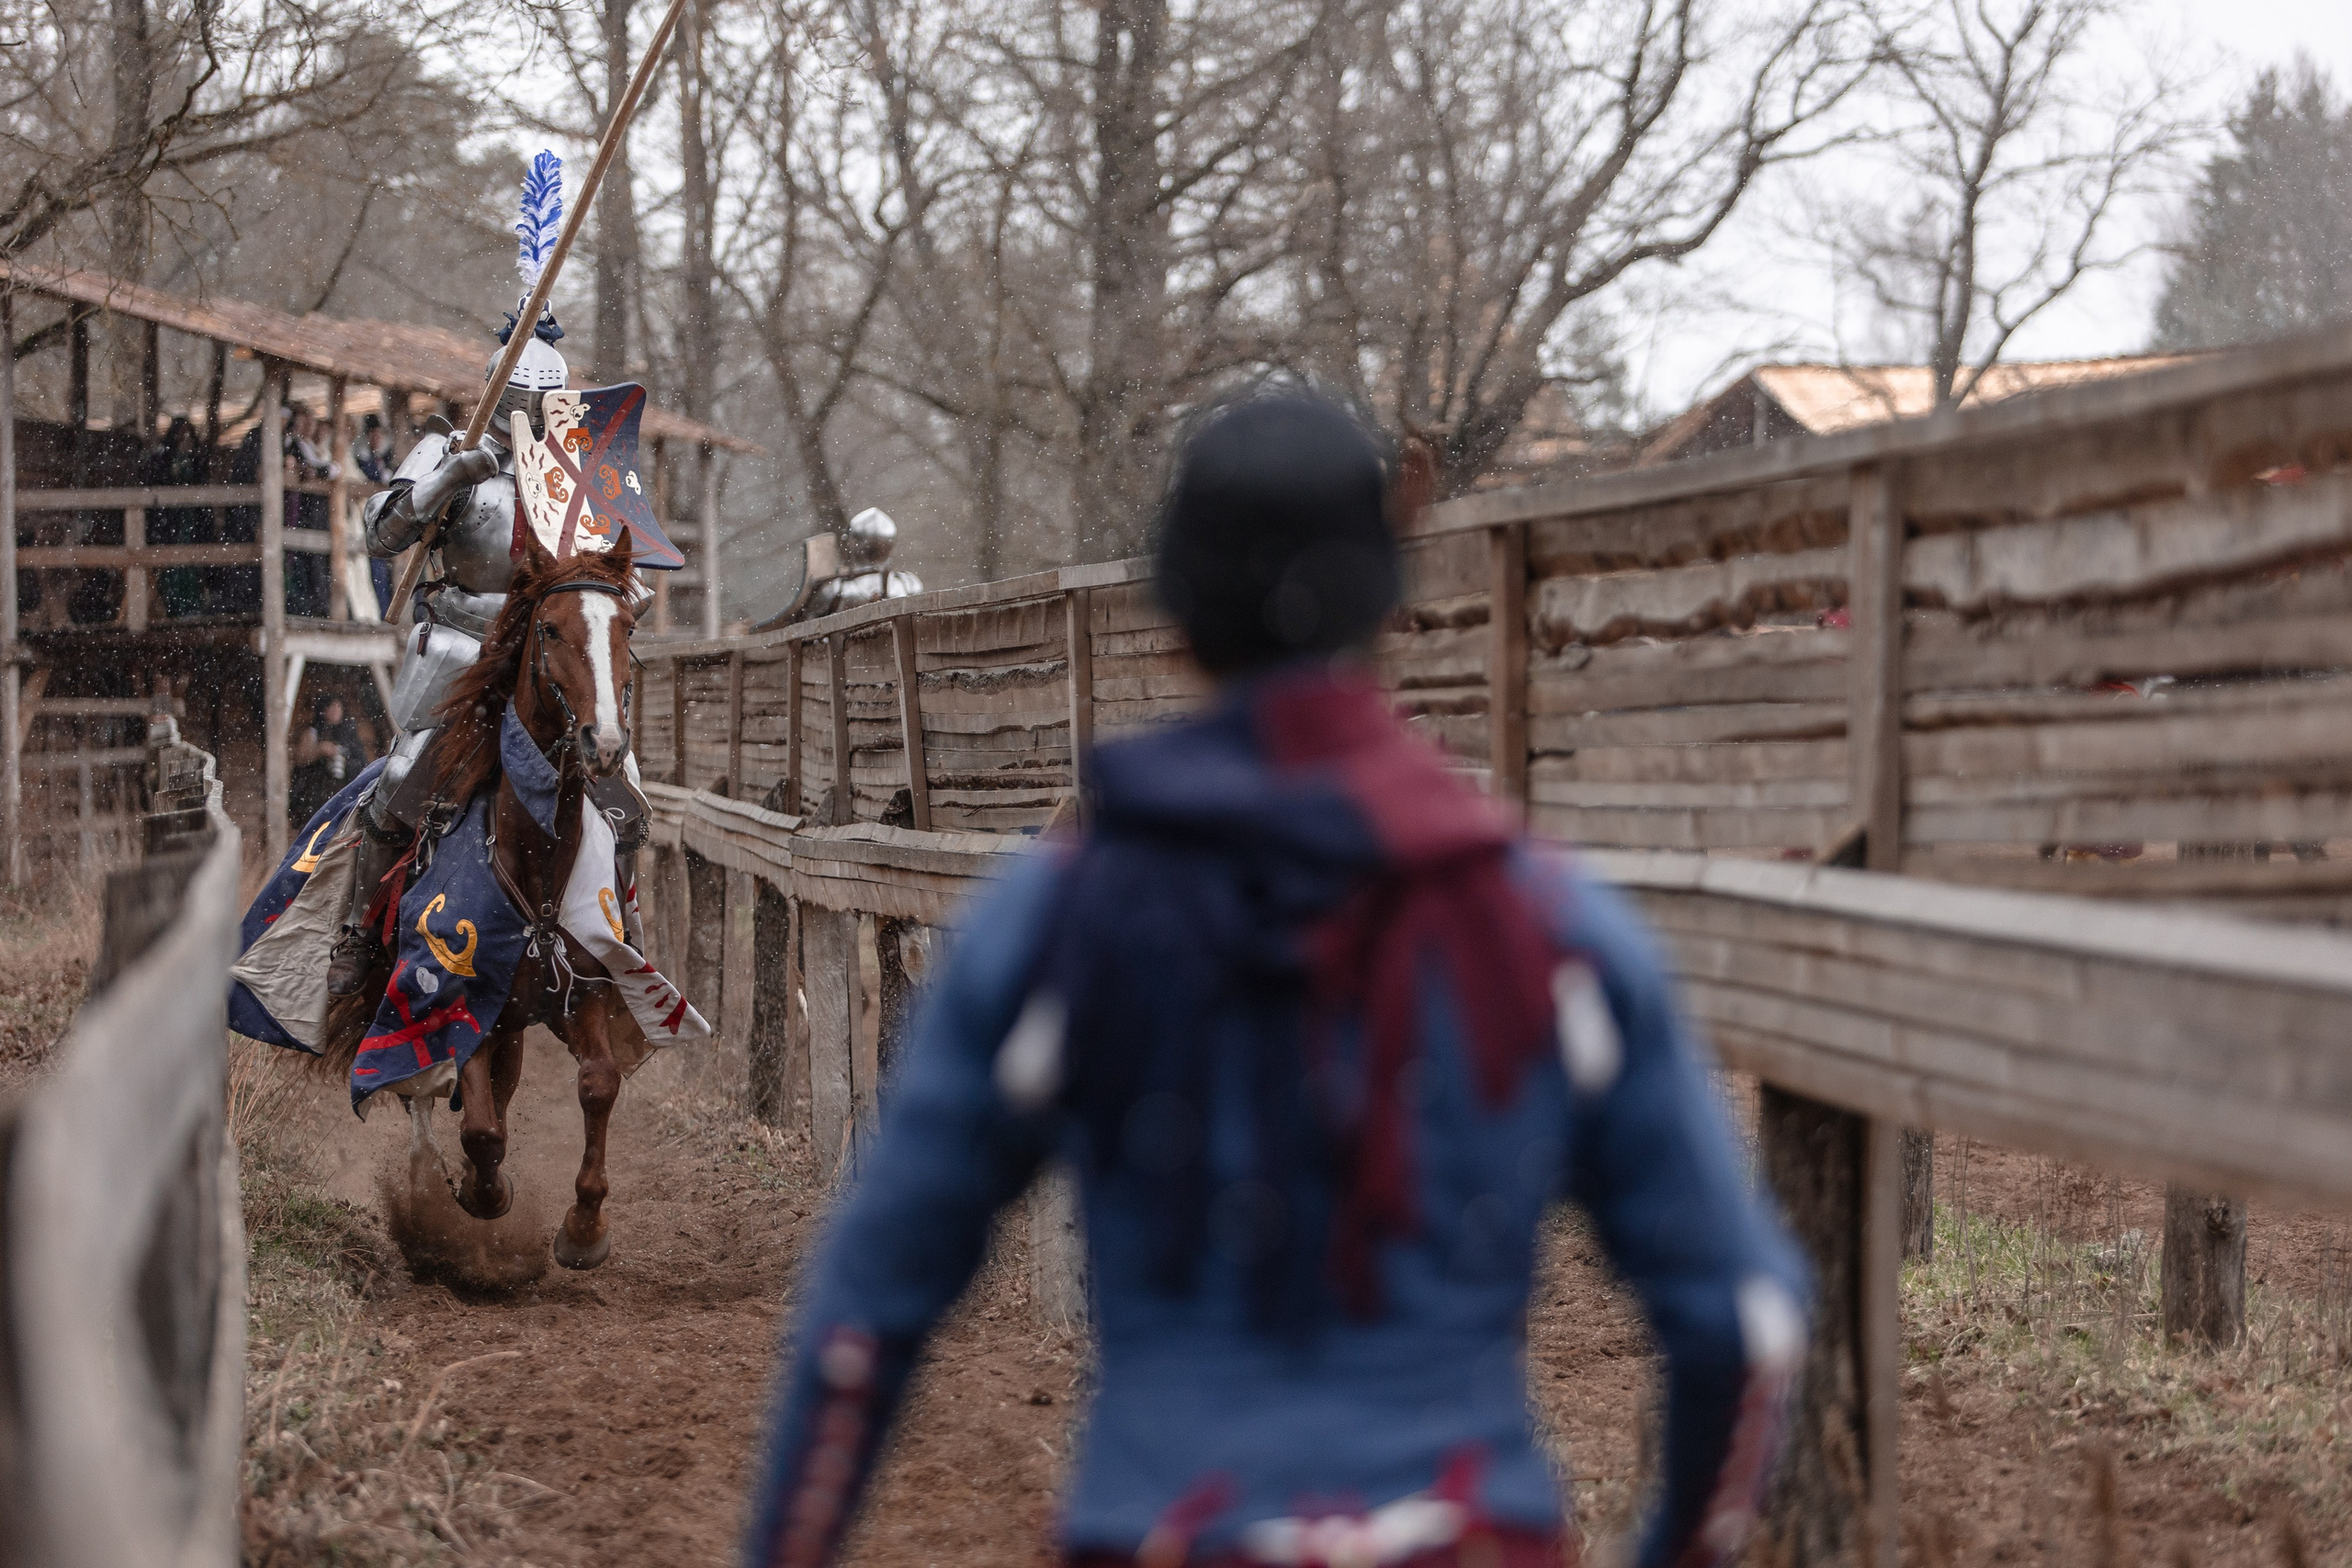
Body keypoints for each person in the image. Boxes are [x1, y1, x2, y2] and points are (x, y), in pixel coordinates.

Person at [740, 389, 1810, 1568]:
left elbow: (859, 1323)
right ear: (1387, 609)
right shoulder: (1548, 926)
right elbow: (1749, 1329)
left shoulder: (1060, 922)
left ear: (1175, 616)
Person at [289, 693, 365, 830]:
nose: (335, 711)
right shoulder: (313, 731)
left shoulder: (349, 734)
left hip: (342, 792)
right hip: (315, 794)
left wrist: (345, 761)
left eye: (338, 707)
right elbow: (301, 759)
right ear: (324, 710)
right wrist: (320, 750)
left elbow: (360, 762)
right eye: (331, 707)